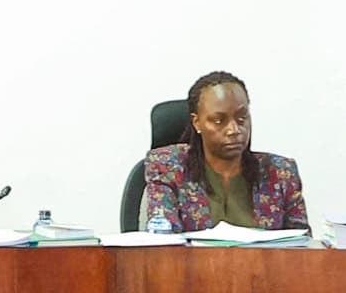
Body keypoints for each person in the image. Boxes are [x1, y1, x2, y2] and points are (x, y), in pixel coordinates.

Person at [132, 70, 309, 233]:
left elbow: (302, 246)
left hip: (265, 268)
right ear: (197, 122)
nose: (234, 130)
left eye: (242, 118)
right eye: (219, 121)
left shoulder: (281, 173)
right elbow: (163, 237)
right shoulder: (168, 167)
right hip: (190, 267)